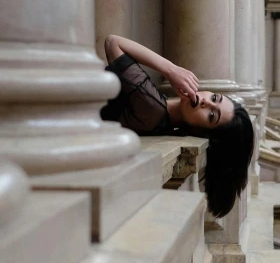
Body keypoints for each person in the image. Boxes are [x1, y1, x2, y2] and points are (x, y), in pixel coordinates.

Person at [101, 34, 254, 218]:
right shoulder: (160, 113)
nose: (206, 102)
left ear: (200, 131)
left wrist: (171, 70)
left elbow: (113, 42)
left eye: (212, 115)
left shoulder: (153, 108)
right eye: (215, 98)